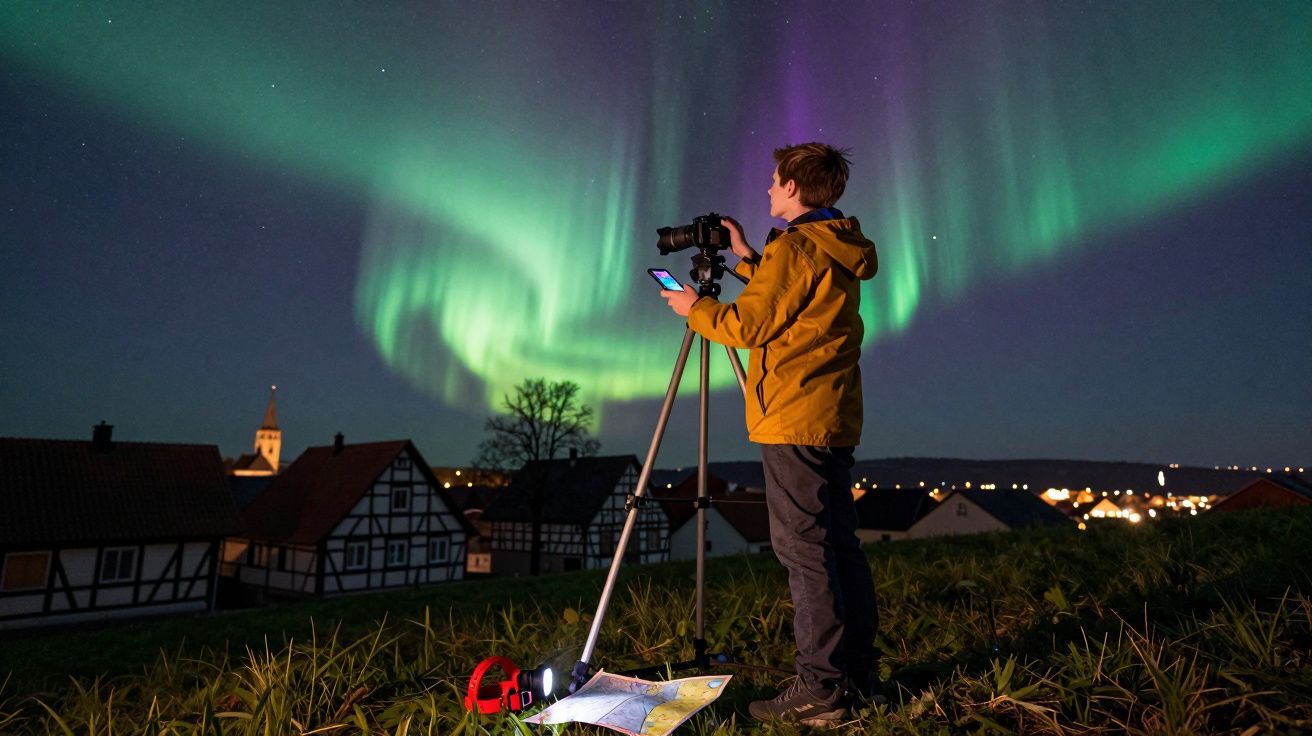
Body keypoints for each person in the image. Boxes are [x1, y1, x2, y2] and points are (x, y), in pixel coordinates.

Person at [660, 142, 880, 726]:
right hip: (830, 413)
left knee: (805, 552)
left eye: (773, 181)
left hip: (791, 415)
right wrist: (747, 256)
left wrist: (693, 310)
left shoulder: (799, 248)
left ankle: (820, 690)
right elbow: (797, 298)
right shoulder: (831, 244)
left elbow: (751, 323)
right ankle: (855, 674)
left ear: (792, 187)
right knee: (839, 545)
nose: (766, 190)